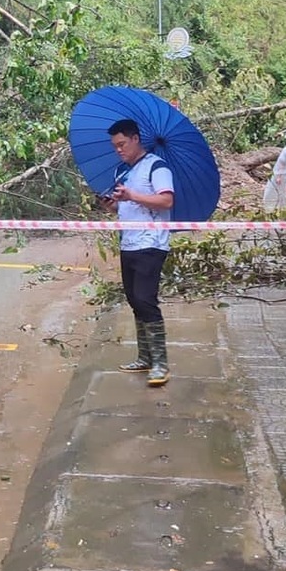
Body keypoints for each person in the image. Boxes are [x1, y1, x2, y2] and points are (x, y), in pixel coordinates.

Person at [105, 118, 175, 388]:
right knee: (134, 299)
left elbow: (167, 200)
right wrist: (111, 205)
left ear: (135, 139)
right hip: (129, 243)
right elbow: (125, 208)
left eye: (122, 144)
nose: (119, 150)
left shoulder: (157, 167)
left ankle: (161, 363)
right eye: (115, 146)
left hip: (151, 243)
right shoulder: (124, 172)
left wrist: (132, 195)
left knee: (146, 299)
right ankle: (145, 357)